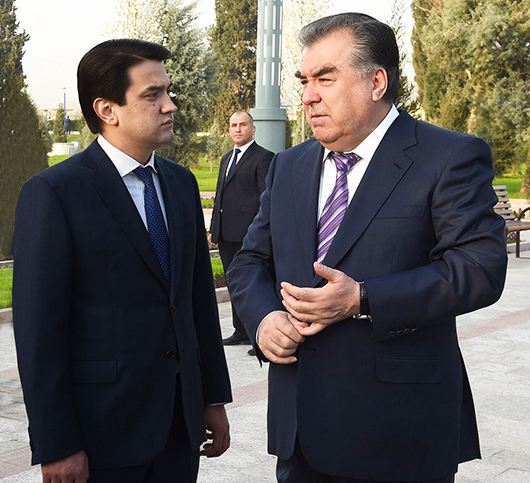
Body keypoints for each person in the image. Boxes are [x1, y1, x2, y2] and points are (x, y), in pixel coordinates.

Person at [227, 13, 507, 483]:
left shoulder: (449, 156)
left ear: (376, 82)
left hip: (399, 431)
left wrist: (362, 298)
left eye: (325, 78)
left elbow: (479, 268)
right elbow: (250, 260)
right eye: (304, 81)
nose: (308, 95)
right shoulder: (289, 166)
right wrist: (263, 319)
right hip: (301, 433)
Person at [13, 39, 231, 483]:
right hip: (102, 434)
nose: (170, 105)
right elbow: (39, 332)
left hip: (180, 426)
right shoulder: (55, 193)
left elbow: (196, 302)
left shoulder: (181, 184)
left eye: (168, 91)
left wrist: (212, 398)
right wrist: (57, 443)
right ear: (107, 109)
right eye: (153, 95)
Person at [208, 111, 274, 353]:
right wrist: (214, 228)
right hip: (226, 233)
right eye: (233, 125)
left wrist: (261, 232)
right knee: (234, 282)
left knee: (255, 284)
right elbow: (220, 195)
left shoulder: (264, 157)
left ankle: (260, 335)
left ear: (252, 129)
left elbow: (266, 198)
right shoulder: (227, 158)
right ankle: (241, 331)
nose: (237, 129)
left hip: (249, 234)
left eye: (243, 124)